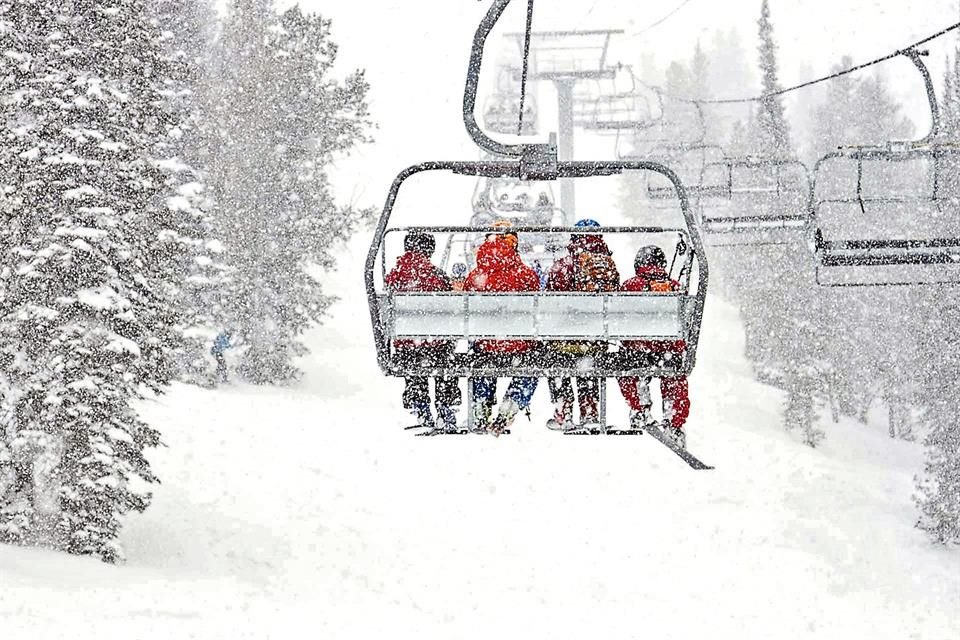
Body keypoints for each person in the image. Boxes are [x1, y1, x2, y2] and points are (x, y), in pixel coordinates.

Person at [463, 229, 541, 436]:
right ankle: (509, 409)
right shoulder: (525, 274)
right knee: (529, 369)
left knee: (482, 364)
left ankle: (481, 409)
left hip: (486, 343)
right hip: (519, 345)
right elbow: (537, 303)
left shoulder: (476, 276)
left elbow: (465, 305)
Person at [544, 219, 620, 430]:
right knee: (586, 364)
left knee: (560, 364)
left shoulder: (562, 266)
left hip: (564, 337)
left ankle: (564, 412)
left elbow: (551, 301)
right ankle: (590, 411)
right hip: (595, 338)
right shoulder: (608, 266)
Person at [385, 232, 462, 432]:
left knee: (413, 362)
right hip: (435, 346)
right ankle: (445, 408)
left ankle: (420, 407)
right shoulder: (437, 276)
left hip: (406, 346)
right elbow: (451, 311)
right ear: (429, 251)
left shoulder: (394, 276)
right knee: (446, 360)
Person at [617, 245, 690, 449]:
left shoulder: (630, 287)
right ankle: (673, 420)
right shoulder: (674, 287)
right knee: (674, 378)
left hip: (638, 351)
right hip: (669, 352)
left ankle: (640, 408)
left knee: (628, 369)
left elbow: (620, 320)